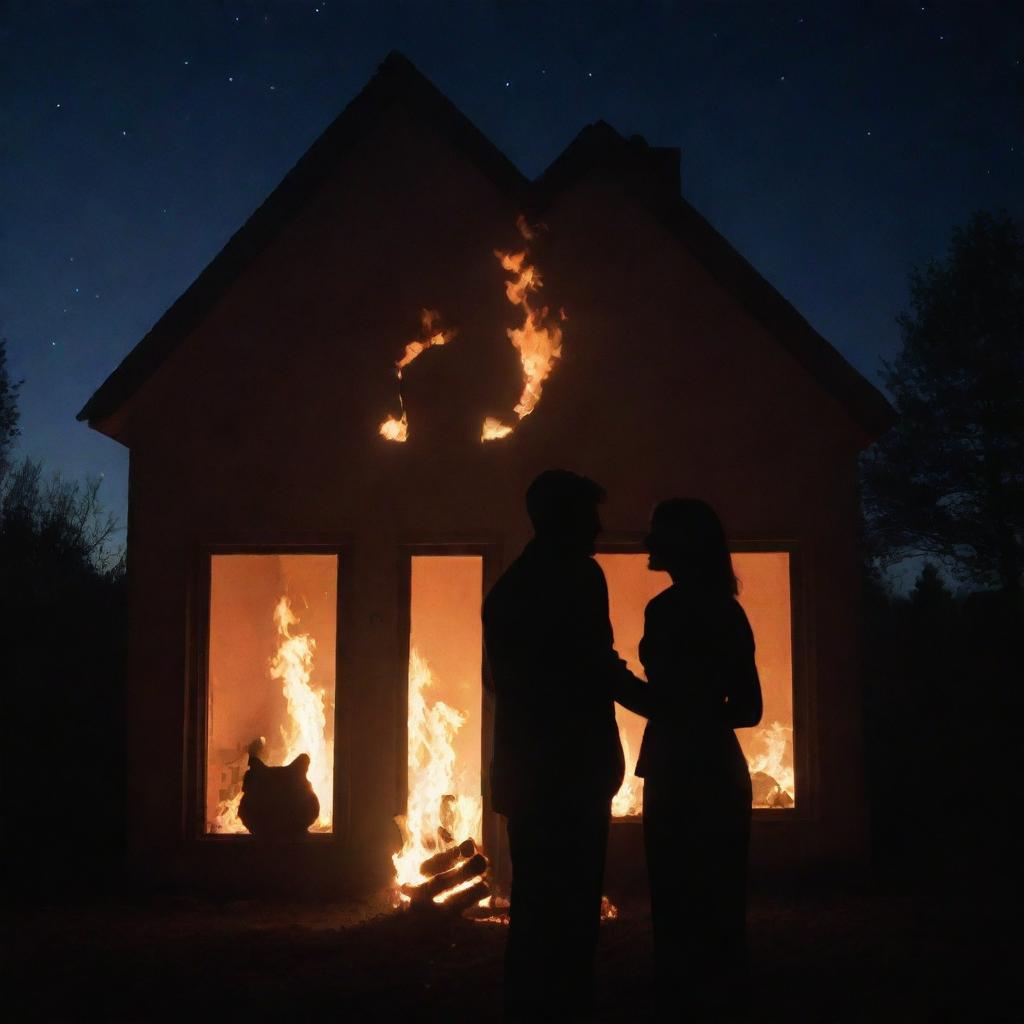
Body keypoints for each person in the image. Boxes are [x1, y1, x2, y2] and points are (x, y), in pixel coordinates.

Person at [483, 469, 643, 1019]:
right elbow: (596, 665)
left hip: (527, 779)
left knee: (535, 909)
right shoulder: (577, 577)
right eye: (589, 517)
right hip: (571, 775)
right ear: (565, 519)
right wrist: (661, 703)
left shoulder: (509, 588)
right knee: (572, 912)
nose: (599, 529)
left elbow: (497, 680)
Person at [619, 498, 762, 1018]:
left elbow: (731, 707)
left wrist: (615, 681)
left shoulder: (671, 610)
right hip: (714, 774)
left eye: (657, 533)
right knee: (716, 907)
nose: (646, 542)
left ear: (682, 542)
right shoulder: (724, 610)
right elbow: (747, 708)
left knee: (680, 905)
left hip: (681, 774)